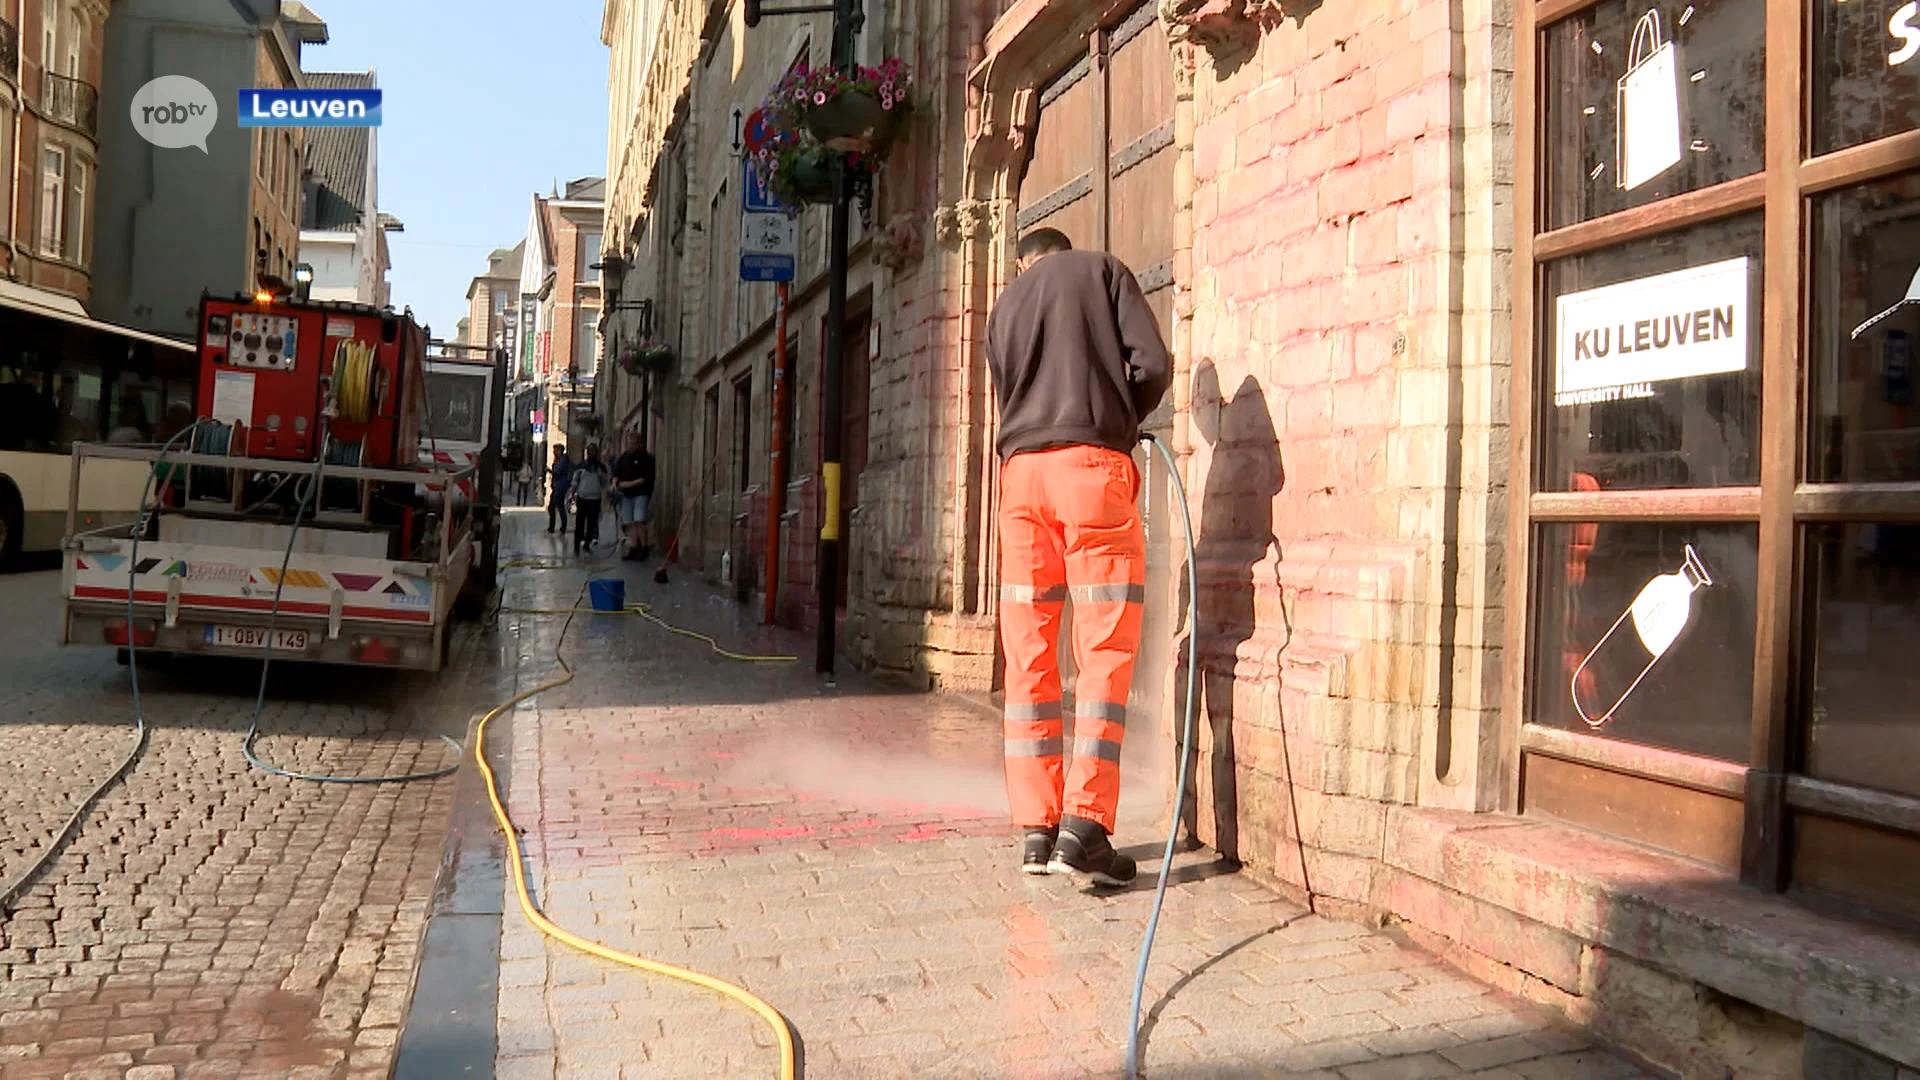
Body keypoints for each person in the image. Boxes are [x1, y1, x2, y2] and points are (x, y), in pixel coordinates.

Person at [985, 227, 1170, 887]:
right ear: (1067, 250)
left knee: (1030, 654)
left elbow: (1007, 398)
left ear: (1024, 260)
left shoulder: (1004, 305)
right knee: (1104, 651)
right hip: (1090, 470)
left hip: (1020, 481)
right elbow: (1152, 365)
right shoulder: (1104, 271)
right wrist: (1120, 419)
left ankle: (1036, 829)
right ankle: (1084, 827)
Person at [611, 430, 656, 561]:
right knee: (629, 522)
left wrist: (626, 484)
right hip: (626, 495)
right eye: (629, 443)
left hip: (641, 493)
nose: (631, 445)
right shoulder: (624, 457)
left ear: (639, 443)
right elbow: (616, 473)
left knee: (639, 520)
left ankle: (644, 547)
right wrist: (614, 483)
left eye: (633, 443)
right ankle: (634, 547)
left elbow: (644, 479)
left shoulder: (646, 458)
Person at [570, 443, 610, 555]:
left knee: (592, 524)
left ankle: (587, 543)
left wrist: (607, 494)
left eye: (594, 451)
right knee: (579, 523)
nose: (591, 453)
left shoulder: (600, 467)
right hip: (582, 498)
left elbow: (605, 482)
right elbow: (575, 480)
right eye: (590, 451)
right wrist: (572, 493)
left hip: (595, 499)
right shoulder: (581, 466)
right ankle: (576, 546)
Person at [547, 446, 572, 534]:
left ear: (560, 450)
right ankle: (557, 527)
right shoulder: (559, 460)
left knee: (555, 506)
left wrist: (549, 471)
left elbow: (558, 472)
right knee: (556, 506)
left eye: (555, 450)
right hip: (558, 486)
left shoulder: (563, 460)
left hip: (560, 487)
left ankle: (555, 527)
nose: (554, 452)